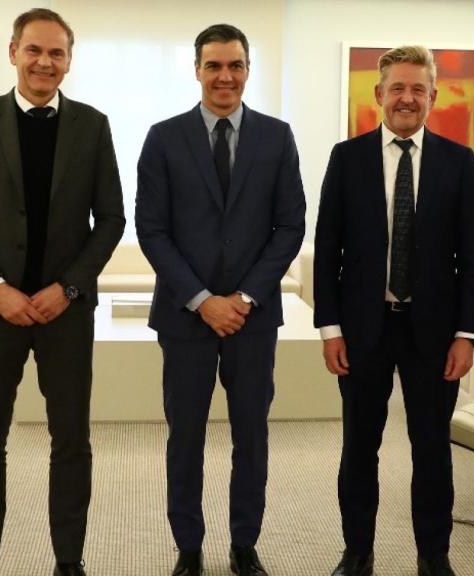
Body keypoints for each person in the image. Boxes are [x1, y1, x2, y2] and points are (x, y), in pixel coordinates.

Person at [0, 9, 125, 576]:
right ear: (15, 51)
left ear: (69, 59)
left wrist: (67, 288)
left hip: (65, 312)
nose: (46, 62)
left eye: (58, 53)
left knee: (71, 442)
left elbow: (111, 219)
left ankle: (70, 562)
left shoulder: (93, 125)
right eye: (35, 50)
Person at [134, 23, 305, 576]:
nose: (224, 76)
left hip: (253, 321)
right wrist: (204, 299)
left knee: (250, 436)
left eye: (235, 65)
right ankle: (188, 546)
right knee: (185, 437)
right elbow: (152, 229)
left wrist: (247, 296)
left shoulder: (277, 137)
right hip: (186, 318)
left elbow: (290, 226)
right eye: (214, 65)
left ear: (248, 70)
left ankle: (244, 543)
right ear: (198, 70)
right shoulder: (163, 137)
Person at [314, 45, 474, 576]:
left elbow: (471, 255)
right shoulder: (348, 158)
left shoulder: (459, 162)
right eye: (397, 88)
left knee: (432, 450)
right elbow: (328, 248)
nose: (407, 98)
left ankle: (433, 555)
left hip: (434, 335)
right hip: (363, 330)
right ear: (379, 95)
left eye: (418, 89)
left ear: (433, 96)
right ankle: (357, 552)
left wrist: (467, 334)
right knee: (359, 449)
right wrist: (330, 329)